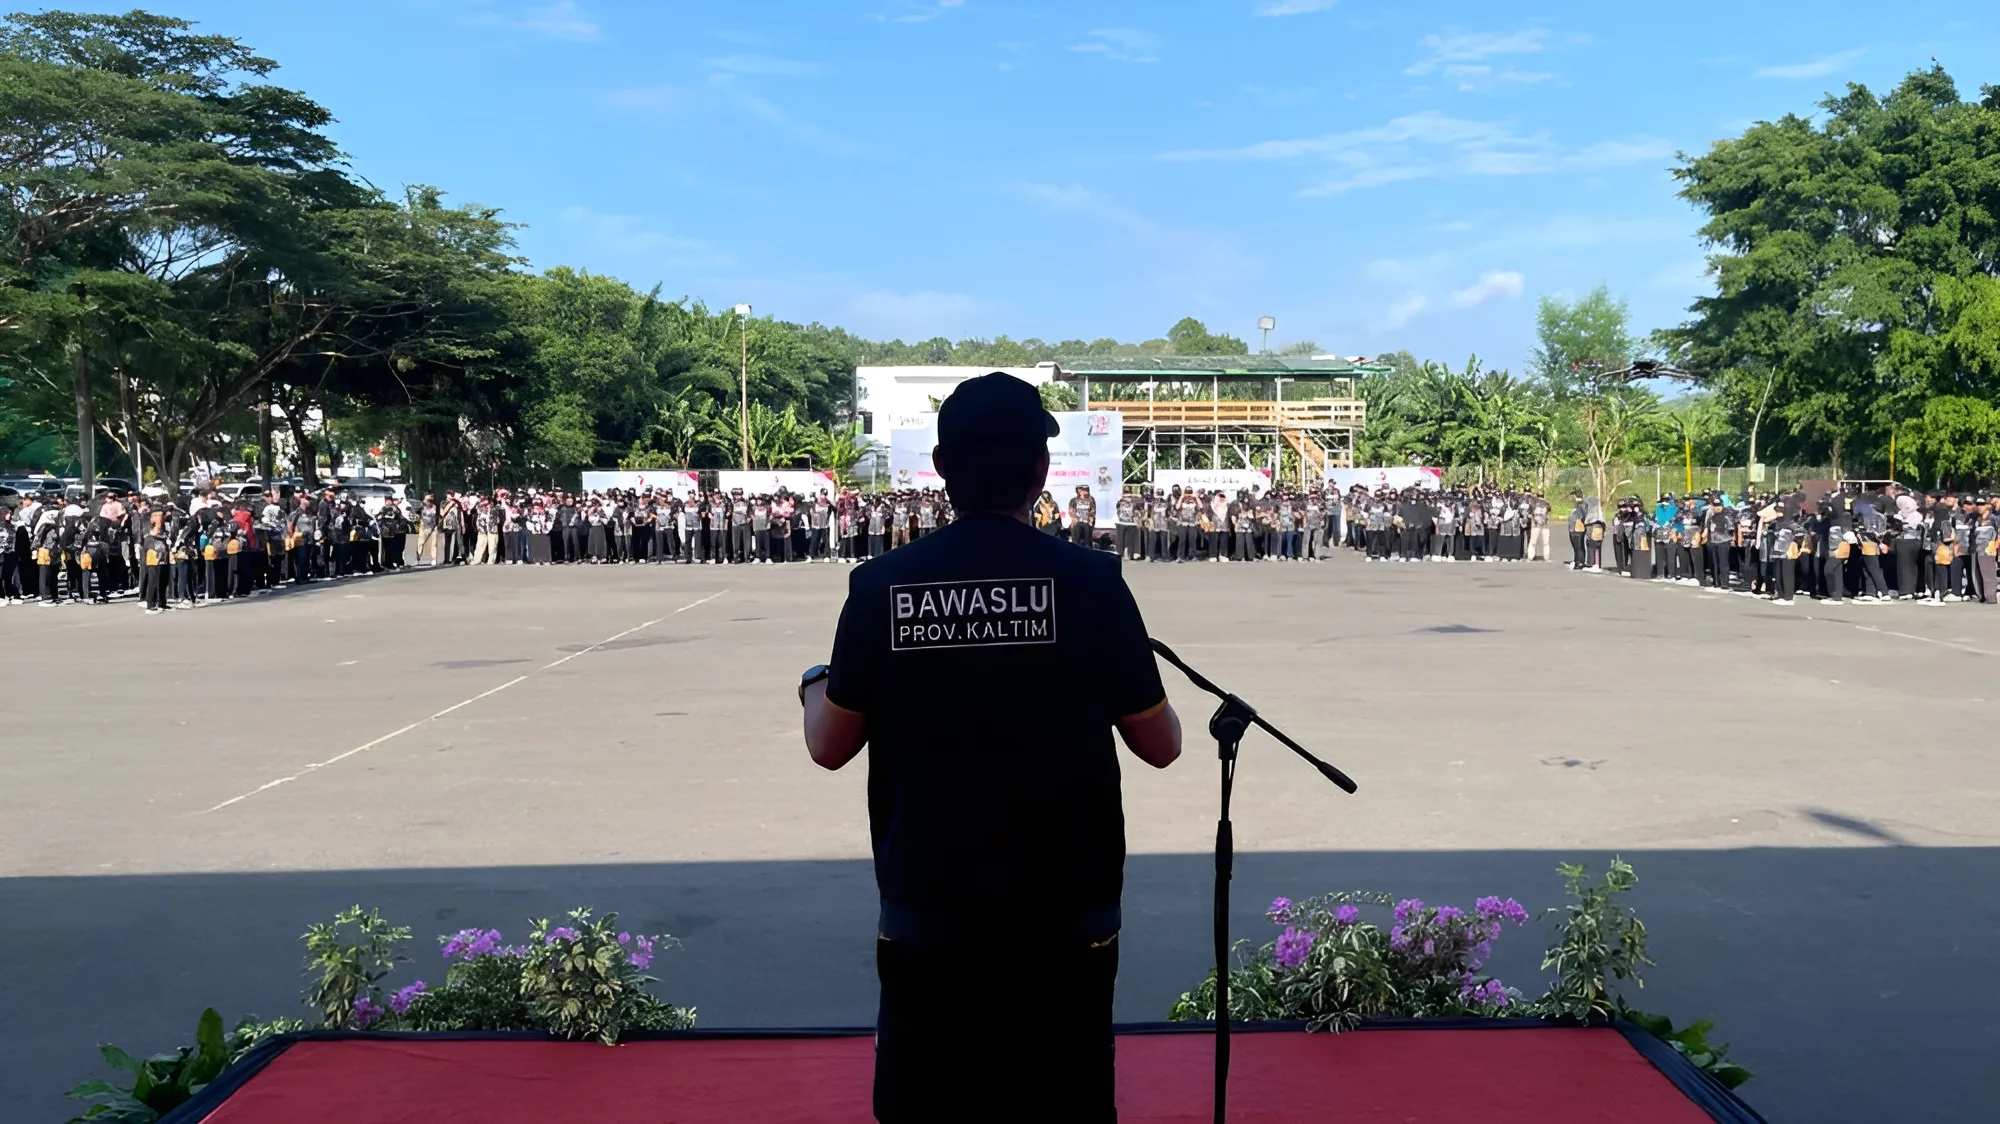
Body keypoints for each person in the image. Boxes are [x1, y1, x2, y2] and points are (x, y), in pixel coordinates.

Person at [802, 372, 1182, 1124]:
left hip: (931, 908)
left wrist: (816, 683)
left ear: (941, 468)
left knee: (929, 1103)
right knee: (1061, 1101)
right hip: (1066, 909)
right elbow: (1161, 743)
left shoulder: (882, 586)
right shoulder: (1092, 583)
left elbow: (831, 744)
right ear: (1041, 473)